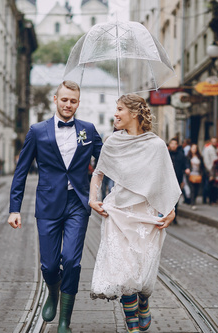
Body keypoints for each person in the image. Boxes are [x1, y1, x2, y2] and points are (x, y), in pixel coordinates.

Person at [8, 80, 102, 330]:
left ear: (78, 103)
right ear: (55, 99)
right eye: (64, 100)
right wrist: (14, 208)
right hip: (48, 204)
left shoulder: (88, 130)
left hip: (77, 205)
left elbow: (107, 162)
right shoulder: (38, 131)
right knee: (49, 265)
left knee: (71, 261)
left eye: (73, 101)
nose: (68, 104)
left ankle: (64, 322)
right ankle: (53, 291)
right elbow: (21, 171)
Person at [88, 94, 180, 333]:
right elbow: (98, 173)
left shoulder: (157, 145)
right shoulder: (112, 142)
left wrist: (171, 210)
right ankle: (132, 328)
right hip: (117, 214)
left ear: (135, 113)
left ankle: (144, 299)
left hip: (146, 216)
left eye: (119, 109)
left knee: (142, 273)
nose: (115, 114)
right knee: (124, 274)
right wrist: (93, 199)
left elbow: (166, 181)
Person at [168, 138, 188, 225]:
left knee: (175, 200)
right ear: (169, 145)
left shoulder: (181, 155)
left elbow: (185, 164)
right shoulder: (166, 154)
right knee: (167, 199)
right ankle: (166, 216)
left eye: (174, 144)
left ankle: (174, 217)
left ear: (177, 145)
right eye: (171, 144)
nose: (173, 145)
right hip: (167, 180)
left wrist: (187, 169)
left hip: (177, 180)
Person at [186, 143, 205, 210]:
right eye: (193, 148)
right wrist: (187, 169)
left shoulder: (199, 157)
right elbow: (186, 165)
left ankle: (194, 200)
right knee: (192, 189)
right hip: (191, 175)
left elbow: (202, 166)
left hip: (198, 175)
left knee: (197, 190)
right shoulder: (188, 157)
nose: (194, 150)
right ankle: (192, 203)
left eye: (195, 148)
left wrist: (202, 173)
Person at [202, 137, 218, 205]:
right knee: (208, 185)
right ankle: (207, 199)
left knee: (213, 186)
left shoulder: (217, 149)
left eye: (215, 141)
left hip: (214, 170)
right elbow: (206, 159)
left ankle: (213, 199)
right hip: (209, 170)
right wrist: (209, 169)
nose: (214, 143)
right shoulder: (208, 149)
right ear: (211, 142)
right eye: (213, 141)